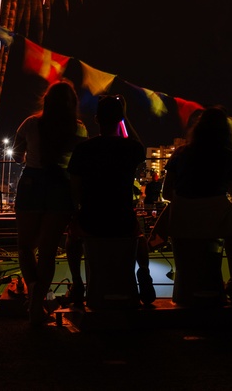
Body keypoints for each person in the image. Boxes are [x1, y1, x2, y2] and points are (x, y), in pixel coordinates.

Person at [67, 94, 154, 307]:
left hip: (92, 219)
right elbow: (140, 148)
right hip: (122, 219)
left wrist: (77, 214)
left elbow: (74, 189)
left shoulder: (83, 149)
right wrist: (125, 117)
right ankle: (144, 274)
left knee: (72, 238)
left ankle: (77, 283)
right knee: (139, 236)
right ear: (120, 119)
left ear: (96, 119)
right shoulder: (129, 149)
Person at [156, 106, 232, 306]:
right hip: (215, 217)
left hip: (182, 217)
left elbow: (165, 192)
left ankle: (182, 284)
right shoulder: (227, 156)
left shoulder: (180, 153)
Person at [12, 80, 87, 325]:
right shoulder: (79, 130)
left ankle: (33, 289)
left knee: (25, 247)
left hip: (31, 184)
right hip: (60, 187)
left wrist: (30, 154)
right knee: (47, 252)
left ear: (46, 101)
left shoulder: (31, 123)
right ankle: (36, 304)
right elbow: (79, 164)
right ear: (72, 105)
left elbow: (15, 156)